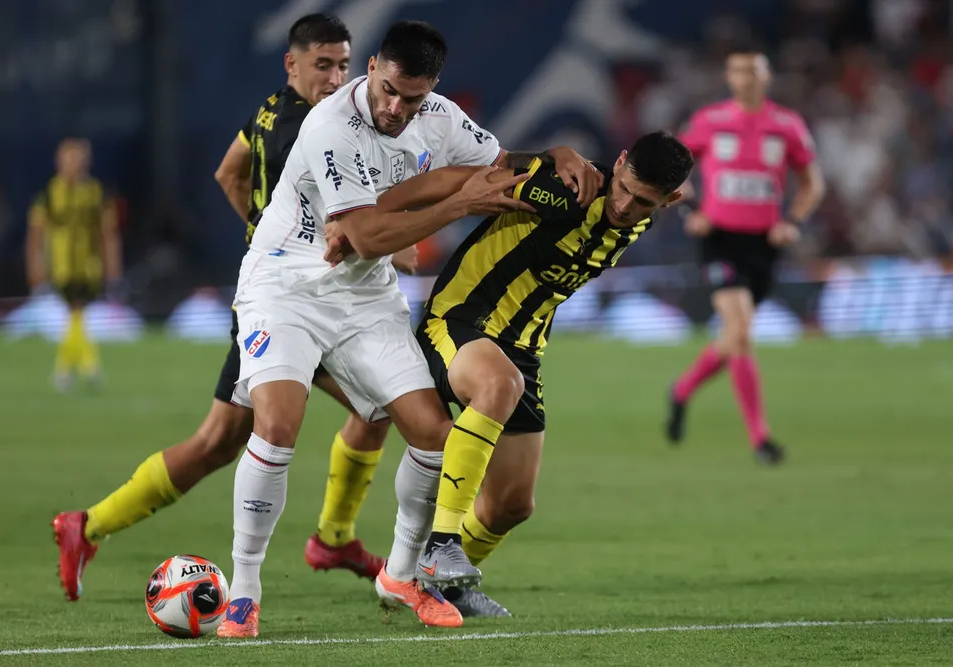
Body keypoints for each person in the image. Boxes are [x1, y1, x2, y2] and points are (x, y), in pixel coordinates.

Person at [217, 19, 602, 635]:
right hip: (284, 287)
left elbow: (499, 165)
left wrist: (553, 155)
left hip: (365, 300)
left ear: (433, 89)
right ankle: (244, 587)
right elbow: (366, 236)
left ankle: (400, 576)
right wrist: (457, 204)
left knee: (433, 432)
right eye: (390, 90)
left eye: (413, 98)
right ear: (372, 67)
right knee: (279, 422)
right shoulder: (330, 125)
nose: (397, 108)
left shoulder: (441, 116)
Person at [51, 14, 407, 603]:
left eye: (343, 64)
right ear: (292, 64)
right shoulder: (314, 128)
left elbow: (228, 171)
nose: (336, 76)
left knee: (220, 441)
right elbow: (350, 216)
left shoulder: (268, 110)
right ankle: (334, 537)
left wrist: (266, 233)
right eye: (324, 64)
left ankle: (86, 526)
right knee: (388, 404)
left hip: (277, 297)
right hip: (298, 305)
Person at [328, 131, 694, 617]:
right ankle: (437, 547)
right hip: (458, 321)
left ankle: (439, 587)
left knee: (512, 506)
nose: (625, 205)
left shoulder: (636, 222)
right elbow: (457, 180)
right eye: (624, 187)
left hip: (522, 350)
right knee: (492, 387)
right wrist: (365, 215)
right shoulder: (566, 188)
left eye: (643, 201)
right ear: (620, 163)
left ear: (670, 200)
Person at [666, 46, 825, 464]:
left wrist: (793, 219)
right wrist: (691, 208)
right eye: (738, 71)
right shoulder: (710, 121)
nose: (746, 78)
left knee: (732, 339)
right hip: (719, 239)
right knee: (741, 334)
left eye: (753, 71)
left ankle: (681, 391)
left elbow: (812, 183)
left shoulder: (786, 125)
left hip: (763, 246)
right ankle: (760, 439)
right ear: (729, 77)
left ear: (766, 76)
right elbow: (673, 167)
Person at [27, 138, 121, 391]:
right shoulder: (49, 194)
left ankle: (67, 370)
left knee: (75, 313)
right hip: (60, 264)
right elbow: (36, 233)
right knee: (76, 312)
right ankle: (85, 366)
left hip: (88, 264)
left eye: (77, 159)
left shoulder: (95, 193)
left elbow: (107, 231)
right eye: (68, 159)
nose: (73, 165)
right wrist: (36, 266)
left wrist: (112, 268)